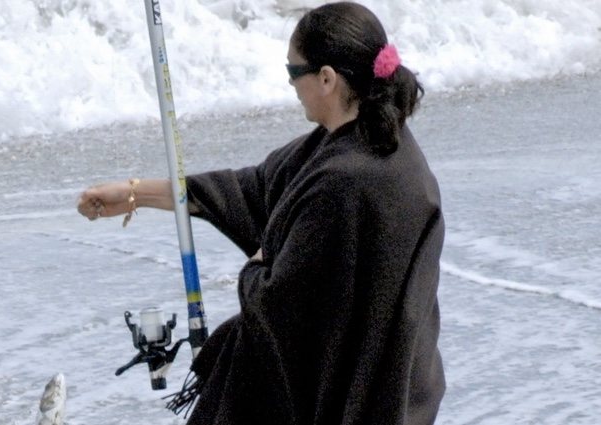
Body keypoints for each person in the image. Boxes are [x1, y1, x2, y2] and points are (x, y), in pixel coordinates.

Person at [77, 2, 445, 424]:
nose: (290, 84)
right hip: (405, 391)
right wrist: (134, 193)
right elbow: (250, 190)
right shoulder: (371, 139)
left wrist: (255, 270)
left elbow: (279, 308)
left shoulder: (345, 182)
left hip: (358, 401)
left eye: (294, 72)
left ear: (326, 78)